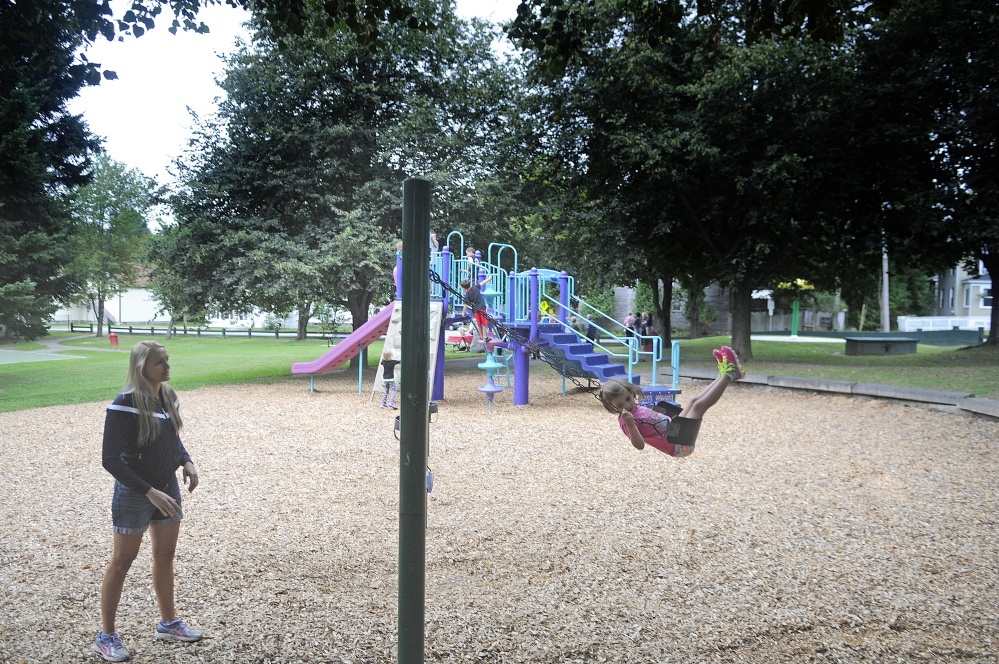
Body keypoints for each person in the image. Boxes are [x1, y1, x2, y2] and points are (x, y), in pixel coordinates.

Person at [95, 341, 202, 662]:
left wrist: (187, 461)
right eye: (159, 363)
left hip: (167, 486)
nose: (167, 366)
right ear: (142, 367)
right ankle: (106, 636)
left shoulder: (167, 396)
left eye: (167, 360)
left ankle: (169, 623)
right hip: (135, 493)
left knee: (165, 555)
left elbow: (173, 440)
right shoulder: (123, 404)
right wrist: (148, 491)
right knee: (122, 562)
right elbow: (110, 460)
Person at [597, 345, 744, 457]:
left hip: (676, 427)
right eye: (620, 405)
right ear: (612, 409)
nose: (627, 405)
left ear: (631, 392)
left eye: (628, 399)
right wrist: (630, 424)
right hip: (679, 444)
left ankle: (722, 374)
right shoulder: (625, 421)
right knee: (699, 406)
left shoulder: (636, 407)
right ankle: (730, 373)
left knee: (693, 401)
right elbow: (639, 445)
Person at [461, 273, 493, 340]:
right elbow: (482, 283)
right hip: (482, 308)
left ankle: (481, 336)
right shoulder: (475, 287)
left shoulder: (467, 295)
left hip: (475, 310)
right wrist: (489, 279)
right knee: (484, 323)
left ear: (463, 288)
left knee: (479, 324)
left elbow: (466, 305)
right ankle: (485, 337)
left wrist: (463, 312)